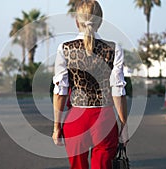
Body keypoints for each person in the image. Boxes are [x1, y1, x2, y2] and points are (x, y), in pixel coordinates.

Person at [52, 1, 128, 168]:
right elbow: (118, 90)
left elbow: (60, 91)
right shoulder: (114, 49)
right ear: (100, 21)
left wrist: (57, 127)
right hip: (105, 120)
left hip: (75, 120)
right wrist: (124, 125)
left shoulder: (64, 49)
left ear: (77, 21)